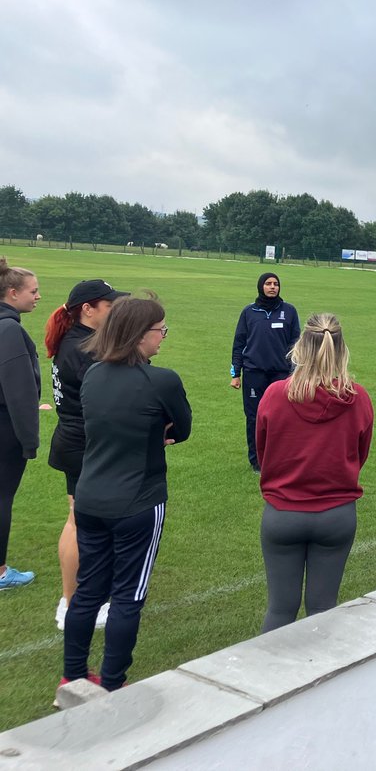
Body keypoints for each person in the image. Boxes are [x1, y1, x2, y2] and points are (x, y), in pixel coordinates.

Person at [63, 294, 191, 694]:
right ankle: (113, 684)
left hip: (90, 499)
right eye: (160, 330)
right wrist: (157, 433)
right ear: (139, 335)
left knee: (87, 591)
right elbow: (181, 429)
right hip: (138, 501)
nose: (163, 338)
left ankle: (72, 676)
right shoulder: (162, 380)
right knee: (127, 597)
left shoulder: (95, 375)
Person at [256, 313, 373, 633]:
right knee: (323, 609)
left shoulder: (275, 394)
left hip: (283, 512)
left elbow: (263, 453)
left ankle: (268, 681)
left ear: (300, 347)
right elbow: (359, 454)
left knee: (280, 609)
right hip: (336, 514)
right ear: (341, 349)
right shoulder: (358, 398)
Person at [44, 279, 129, 628]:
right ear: (87, 309)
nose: (115, 310)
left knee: (80, 520)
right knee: (81, 522)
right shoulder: (85, 348)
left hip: (75, 440)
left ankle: (78, 599)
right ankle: (74, 603)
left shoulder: (75, 341)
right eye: (110, 305)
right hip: (87, 444)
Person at [231, 272, 300, 472]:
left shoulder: (289, 311)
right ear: (261, 286)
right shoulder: (249, 312)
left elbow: (297, 344)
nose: (272, 287)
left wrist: (295, 372)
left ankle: (280, 458)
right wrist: (235, 374)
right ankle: (257, 461)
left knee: (281, 417)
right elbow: (239, 344)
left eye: (276, 284)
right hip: (254, 373)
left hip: (281, 374)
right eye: (268, 284)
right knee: (254, 417)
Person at [0, 257, 41, 591]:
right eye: (33, 291)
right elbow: (19, 391)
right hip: (5, 429)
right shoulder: (10, 329)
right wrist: (29, 440)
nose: (37, 296)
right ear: (12, 293)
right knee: (1, 497)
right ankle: (0, 572)